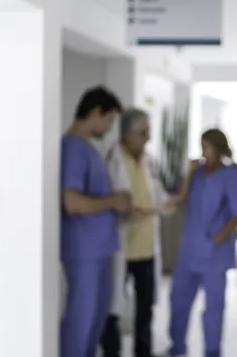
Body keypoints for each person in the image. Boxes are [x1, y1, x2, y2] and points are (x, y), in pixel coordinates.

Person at [163, 128, 237, 357]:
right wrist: (187, 173)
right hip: (190, 250)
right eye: (202, 146)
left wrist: (218, 238)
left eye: (207, 147)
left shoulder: (230, 174)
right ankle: (177, 348)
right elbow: (179, 199)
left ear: (219, 148)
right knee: (178, 301)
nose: (203, 152)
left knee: (213, 309)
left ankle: (212, 352)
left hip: (214, 253)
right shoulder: (196, 173)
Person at [60, 86, 131, 357]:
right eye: (109, 120)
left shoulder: (89, 149)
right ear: (95, 112)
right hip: (84, 251)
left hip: (100, 248)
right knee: (81, 321)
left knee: (95, 321)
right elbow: (72, 202)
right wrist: (113, 201)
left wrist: (118, 202)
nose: (109, 127)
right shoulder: (71, 149)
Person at [100, 108, 174, 357]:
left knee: (146, 309)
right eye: (144, 133)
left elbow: (159, 196)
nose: (148, 139)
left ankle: (143, 352)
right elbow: (108, 202)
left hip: (146, 248)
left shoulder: (149, 160)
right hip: (121, 247)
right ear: (128, 134)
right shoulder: (112, 159)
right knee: (113, 308)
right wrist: (128, 211)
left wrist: (169, 202)